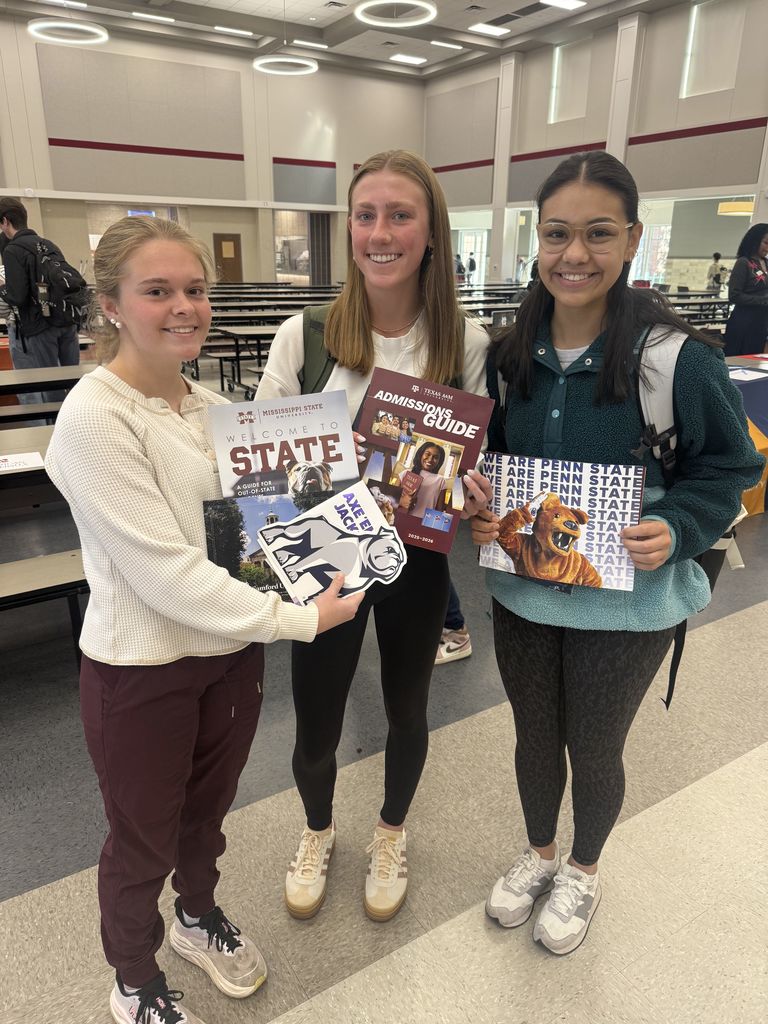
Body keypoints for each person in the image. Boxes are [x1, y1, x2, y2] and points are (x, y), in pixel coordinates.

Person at [44, 216, 364, 1024]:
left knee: (204, 815)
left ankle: (195, 918)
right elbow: (167, 576)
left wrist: (357, 515)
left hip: (230, 655)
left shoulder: (214, 405)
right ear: (113, 303)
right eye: (157, 291)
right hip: (142, 669)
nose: (183, 306)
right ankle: (133, 980)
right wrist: (299, 620)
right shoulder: (94, 418)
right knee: (140, 838)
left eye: (194, 289)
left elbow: (263, 523)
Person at [470, 151, 763, 956]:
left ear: (632, 239)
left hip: (630, 599)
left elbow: (734, 468)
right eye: (558, 233)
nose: (575, 254)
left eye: (598, 234)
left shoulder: (678, 360)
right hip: (525, 590)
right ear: (537, 239)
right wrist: (483, 507)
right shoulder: (506, 358)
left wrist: (681, 528)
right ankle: (537, 855)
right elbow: (486, 462)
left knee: (594, 744)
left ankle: (584, 870)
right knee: (535, 736)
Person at [256, 149, 489, 923]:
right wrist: (322, 467)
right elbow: (254, 475)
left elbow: (466, 477)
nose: (380, 232)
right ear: (349, 228)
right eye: (366, 215)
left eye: (400, 215)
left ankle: (391, 832)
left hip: (418, 561)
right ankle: (319, 830)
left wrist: (463, 487)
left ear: (430, 232)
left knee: (407, 708)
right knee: (317, 719)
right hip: (326, 558)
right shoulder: (307, 334)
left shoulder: (467, 341)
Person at [0, 197, 81, 403]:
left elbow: (17, 297)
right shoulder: (47, 244)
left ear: (5, 221)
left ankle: (55, 429)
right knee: (73, 381)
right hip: (66, 320)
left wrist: (2, 289)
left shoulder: (13, 249)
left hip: (40, 326)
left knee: (50, 385)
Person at [724, 223, 768, 356]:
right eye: (766, 242)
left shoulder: (766, 263)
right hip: (744, 322)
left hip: (761, 323)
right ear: (755, 240)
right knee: (739, 361)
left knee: (754, 363)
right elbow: (734, 295)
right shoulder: (743, 262)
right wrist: (764, 300)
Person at [396, 440, 450, 518]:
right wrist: (401, 501)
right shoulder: (406, 473)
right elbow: (391, 497)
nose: (430, 459)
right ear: (421, 454)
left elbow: (439, 510)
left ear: (439, 461)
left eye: (435, 457)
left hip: (423, 522)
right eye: (427, 454)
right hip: (401, 517)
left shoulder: (441, 480)